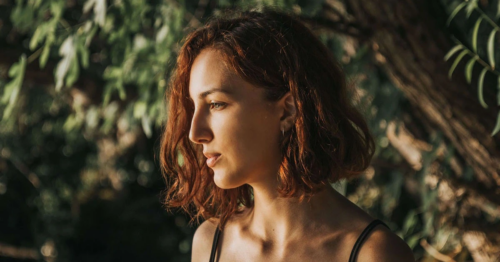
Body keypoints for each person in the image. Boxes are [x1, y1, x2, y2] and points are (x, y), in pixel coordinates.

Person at [159, 9, 415, 262]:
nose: (195, 133)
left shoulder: (373, 254)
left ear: (288, 110)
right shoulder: (210, 243)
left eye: (216, 104)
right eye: (194, 107)